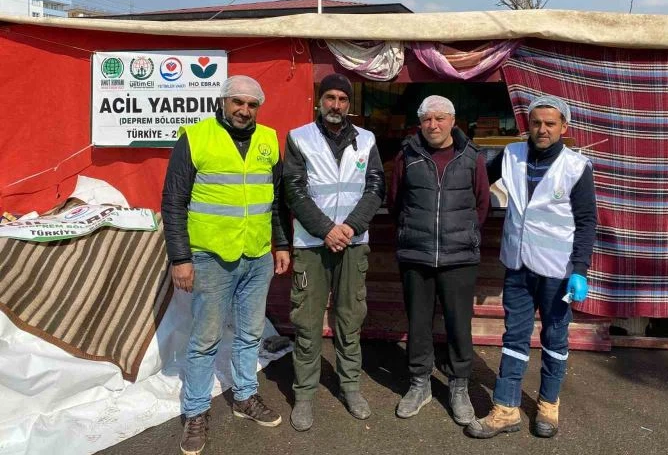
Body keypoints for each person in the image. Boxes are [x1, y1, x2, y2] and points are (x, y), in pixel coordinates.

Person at [162, 75, 292, 455]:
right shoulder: (196, 137)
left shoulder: (268, 139)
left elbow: (276, 199)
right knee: (205, 339)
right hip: (211, 257)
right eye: (237, 102)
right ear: (222, 101)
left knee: (250, 333)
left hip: (256, 256)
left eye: (252, 105)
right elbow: (173, 202)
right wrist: (180, 258)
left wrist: (280, 244)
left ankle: (244, 397)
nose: (244, 110)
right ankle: (196, 411)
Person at [466, 95, 597, 440]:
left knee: (555, 337)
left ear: (563, 128)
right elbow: (477, 175)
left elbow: (586, 222)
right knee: (514, 337)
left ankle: (548, 406)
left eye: (550, 124)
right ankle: (506, 409)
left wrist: (580, 269)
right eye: (536, 122)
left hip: (558, 271)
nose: (542, 129)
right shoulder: (511, 154)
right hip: (518, 266)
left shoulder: (576, 167)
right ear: (528, 124)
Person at [283, 73, 385, 431]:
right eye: (330, 98)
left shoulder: (367, 140)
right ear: (320, 100)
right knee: (307, 323)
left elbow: (375, 189)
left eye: (342, 99)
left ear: (349, 104)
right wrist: (327, 230)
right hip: (312, 245)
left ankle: (350, 387)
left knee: (350, 318)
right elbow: (293, 191)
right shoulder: (299, 138)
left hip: (353, 243)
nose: (336, 105)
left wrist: (350, 227)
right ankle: (305, 393)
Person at [387, 95, 490, 425]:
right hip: (416, 254)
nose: (434, 125)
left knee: (459, 325)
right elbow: (395, 202)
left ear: (453, 122)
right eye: (428, 119)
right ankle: (420, 384)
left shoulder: (472, 157)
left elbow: (481, 205)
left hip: (459, 256)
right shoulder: (408, 156)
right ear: (421, 123)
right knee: (418, 323)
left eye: (440, 119)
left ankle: (458, 386)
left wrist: (461, 234)